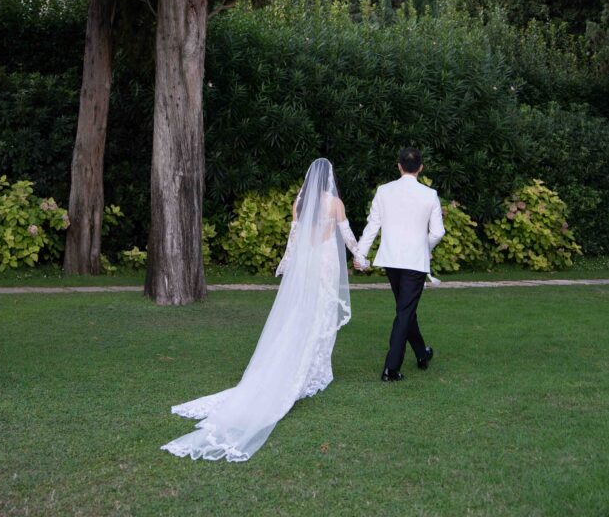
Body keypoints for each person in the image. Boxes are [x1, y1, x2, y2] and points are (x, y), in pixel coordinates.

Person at [161, 158, 369, 462]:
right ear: (330, 179)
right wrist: (360, 257)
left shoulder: (300, 203)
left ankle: (314, 367)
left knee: (303, 315)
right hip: (326, 263)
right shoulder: (334, 203)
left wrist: (286, 263)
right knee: (322, 316)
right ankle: (316, 370)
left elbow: (294, 238)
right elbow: (347, 235)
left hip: (307, 263)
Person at [356, 147, 445, 382]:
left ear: (399, 166)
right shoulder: (430, 194)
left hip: (391, 260)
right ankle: (391, 368)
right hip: (414, 261)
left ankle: (422, 353)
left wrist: (360, 254)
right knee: (405, 311)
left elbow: (372, 226)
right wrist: (425, 248)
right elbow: (438, 232)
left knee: (406, 310)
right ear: (421, 168)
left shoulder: (384, 191)